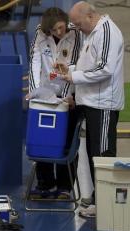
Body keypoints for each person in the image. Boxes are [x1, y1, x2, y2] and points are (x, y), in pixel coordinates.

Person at [57, 2, 124, 218]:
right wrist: (70, 70)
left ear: (90, 16)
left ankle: (106, 205)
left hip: (103, 104)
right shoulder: (92, 33)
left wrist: (74, 77)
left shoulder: (107, 32)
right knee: (93, 153)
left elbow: (105, 68)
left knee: (103, 154)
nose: (77, 28)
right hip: (92, 102)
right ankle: (98, 198)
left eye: (78, 24)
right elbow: (89, 65)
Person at [27, 7, 82, 200]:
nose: (59, 32)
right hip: (45, 94)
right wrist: (35, 92)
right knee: (44, 139)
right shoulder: (40, 33)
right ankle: (45, 184)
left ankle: (65, 187)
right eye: (54, 30)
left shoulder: (75, 33)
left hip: (69, 95)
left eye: (61, 27)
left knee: (67, 141)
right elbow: (34, 62)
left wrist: (66, 97)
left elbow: (75, 65)